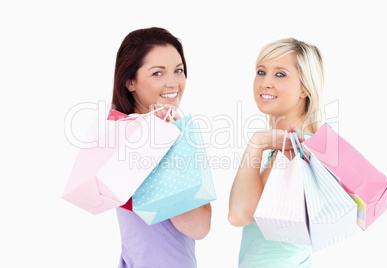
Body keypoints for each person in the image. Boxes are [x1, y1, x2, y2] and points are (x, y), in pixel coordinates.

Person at [111, 27, 212, 268]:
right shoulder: (139, 140)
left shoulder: (123, 133)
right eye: (157, 73)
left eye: (178, 70)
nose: (173, 82)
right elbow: (198, 226)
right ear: (130, 81)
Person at [228, 38, 325, 267]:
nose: (265, 82)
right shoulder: (302, 143)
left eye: (280, 74)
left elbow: (239, 215)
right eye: (261, 72)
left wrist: (257, 143)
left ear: (305, 88)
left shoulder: (294, 149)